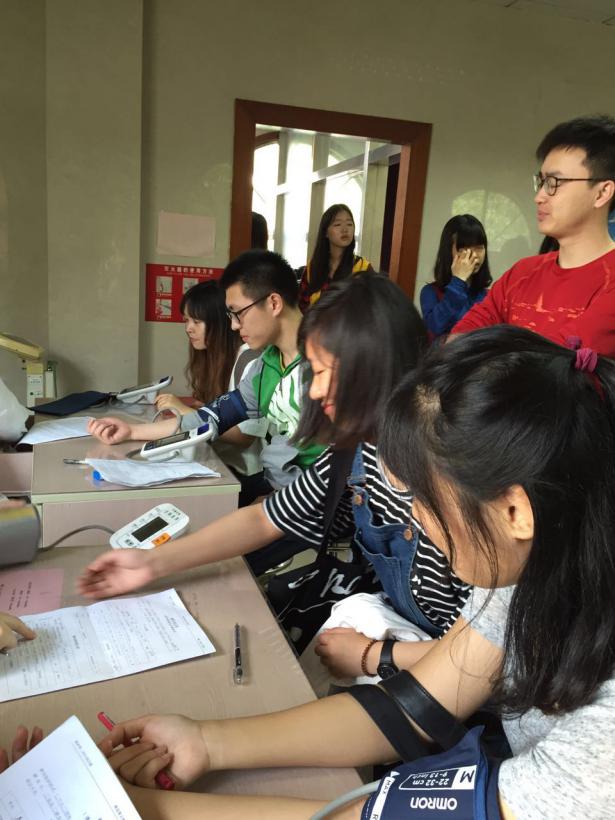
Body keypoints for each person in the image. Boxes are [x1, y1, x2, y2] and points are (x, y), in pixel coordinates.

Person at [19, 323, 609, 818]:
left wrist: (143, 808)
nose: (417, 517)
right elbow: (418, 704)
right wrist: (206, 741)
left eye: (426, 500)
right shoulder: (526, 569)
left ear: (515, 511)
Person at [79, 275, 471, 667]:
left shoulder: (454, 480)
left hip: (447, 666)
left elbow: (486, 649)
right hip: (411, 642)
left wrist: (375, 655)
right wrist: (150, 563)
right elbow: (265, 519)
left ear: (369, 368)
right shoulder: (357, 454)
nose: (313, 392)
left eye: (321, 373)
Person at [88, 251, 323, 507]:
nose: (234, 326)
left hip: (313, 498)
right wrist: (132, 431)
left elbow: (339, 463)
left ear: (274, 303)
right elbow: (211, 417)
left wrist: (274, 507)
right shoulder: (265, 366)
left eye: (238, 313)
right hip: (278, 486)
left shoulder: (329, 361)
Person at [452, 114, 615, 355]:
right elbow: (459, 342)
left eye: (554, 182)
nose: (539, 197)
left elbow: (552, 365)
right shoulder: (522, 272)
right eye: (541, 182)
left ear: (602, 193)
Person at [153, 280, 263, 479]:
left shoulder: (249, 359)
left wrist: (187, 411)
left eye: (196, 321)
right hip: (218, 460)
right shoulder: (213, 356)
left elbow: (244, 436)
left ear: (221, 321)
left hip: (243, 472)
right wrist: (200, 407)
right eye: (186, 320)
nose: (188, 328)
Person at [420, 214, 492, 341]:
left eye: (479, 248)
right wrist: (458, 282)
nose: (474, 255)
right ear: (449, 251)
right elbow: (435, 328)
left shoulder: (489, 296)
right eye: (464, 249)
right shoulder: (430, 292)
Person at [298, 204, 373, 312]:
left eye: (349, 224)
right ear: (326, 232)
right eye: (337, 224)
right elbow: (302, 306)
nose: (345, 229)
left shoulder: (363, 268)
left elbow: (371, 309)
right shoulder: (313, 268)